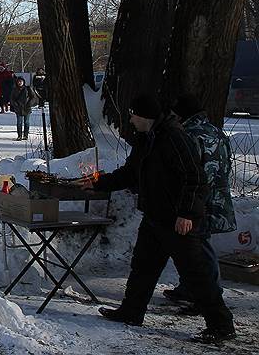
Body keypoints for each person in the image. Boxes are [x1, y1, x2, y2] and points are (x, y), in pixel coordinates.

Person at [76, 94, 235, 345]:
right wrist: (99, 182)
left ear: (144, 116)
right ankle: (131, 312)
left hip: (177, 220)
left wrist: (187, 214)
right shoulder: (146, 139)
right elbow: (130, 173)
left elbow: (195, 179)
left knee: (196, 275)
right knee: (143, 267)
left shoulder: (174, 138)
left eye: (132, 114)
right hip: (154, 216)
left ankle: (221, 324)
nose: (130, 118)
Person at [165, 94, 237, 308]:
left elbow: (192, 174)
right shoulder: (215, 131)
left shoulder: (189, 135)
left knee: (200, 247)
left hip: (199, 200)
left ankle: (209, 293)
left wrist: (185, 204)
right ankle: (190, 288)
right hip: (215, 197)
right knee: (194, 245)